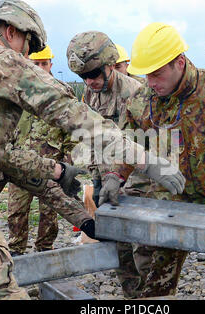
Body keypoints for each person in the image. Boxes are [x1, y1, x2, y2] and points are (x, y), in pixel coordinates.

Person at [0, 0, 185, 300]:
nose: (26, 56)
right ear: (11, 32)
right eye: (28, 48)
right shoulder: (3, 60)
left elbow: (4, 157)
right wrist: (146, 160)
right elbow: (75, 116)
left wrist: (57, 171)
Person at [100, 22, 205, 300]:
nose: (151, 82)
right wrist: (115, 176)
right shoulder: (143, 99)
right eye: (146, 75)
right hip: (177, 198)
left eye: (157, 74)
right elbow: (130, 142)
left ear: (179, 62)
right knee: (157, 283)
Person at [7, 45, 81, 256]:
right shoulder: (18, 90)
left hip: (52, 165)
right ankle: (16, 251)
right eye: (35, 63)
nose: (40, 67)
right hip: (19, 164)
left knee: (49, 212)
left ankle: (45, 250)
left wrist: (67, 162)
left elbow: (71, 129)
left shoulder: (61, 91)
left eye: (44, 63)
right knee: (16, 211)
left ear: (50, 64)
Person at [66, 31, 142, 207]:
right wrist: (95, 173)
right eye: (83, 77)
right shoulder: (91, 91)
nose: (89, 82)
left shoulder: (133, 93)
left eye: (93, 74)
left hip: (129, 181)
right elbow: (91, 136)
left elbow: (138, 143)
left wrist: (118, 177)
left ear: (110, 64)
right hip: (102, 173)